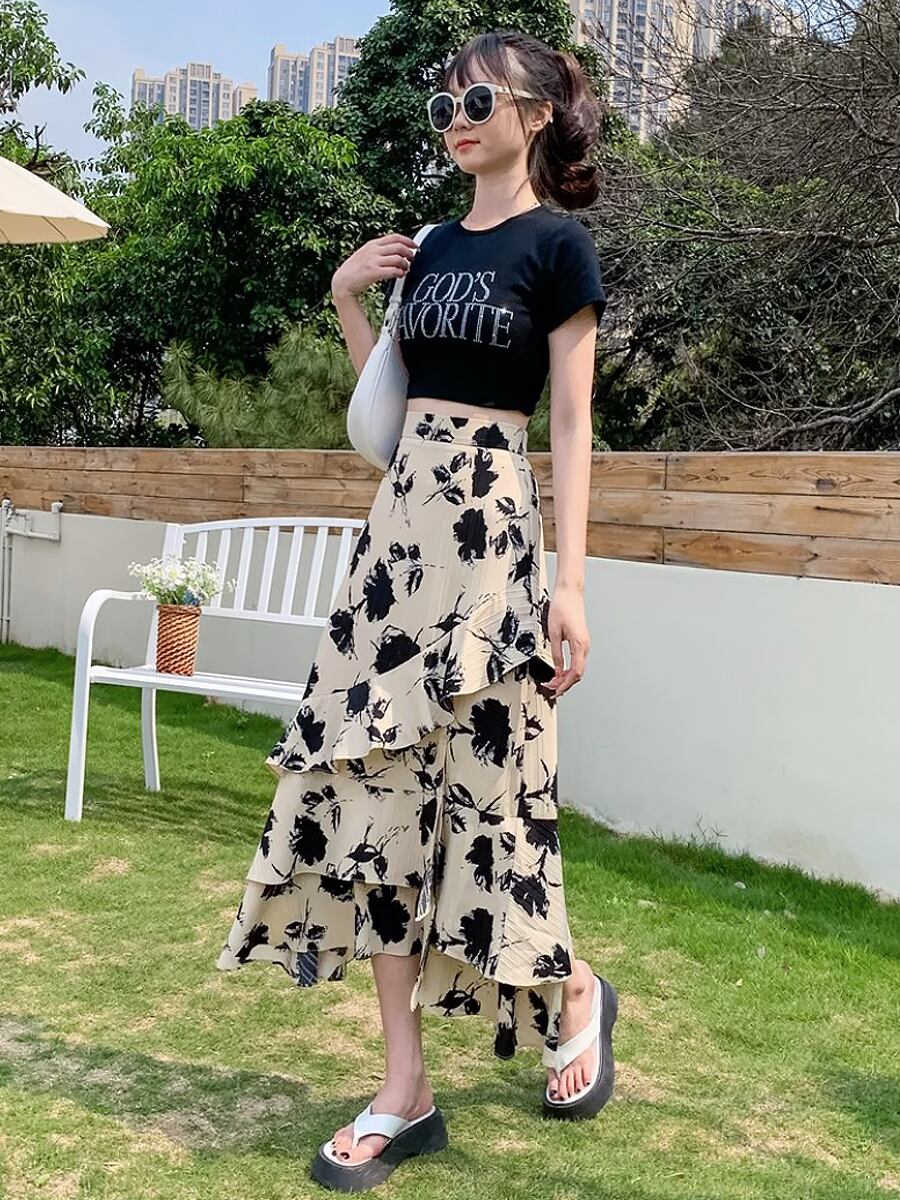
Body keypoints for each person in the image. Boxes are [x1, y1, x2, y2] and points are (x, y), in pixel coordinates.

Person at [216, 27, 619, 1192]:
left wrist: (571, 586)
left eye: (478, 100)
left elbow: (573, 425)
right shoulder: (431, 246)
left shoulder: (558, 247)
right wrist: (349, 294)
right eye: (444, 103)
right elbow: (382, 420)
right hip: (397, 544)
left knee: (495, 797)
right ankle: (406, 1089)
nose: (456, 118)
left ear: (536, 113)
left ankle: (574, 990)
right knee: (374, 800)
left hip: (493, 538)